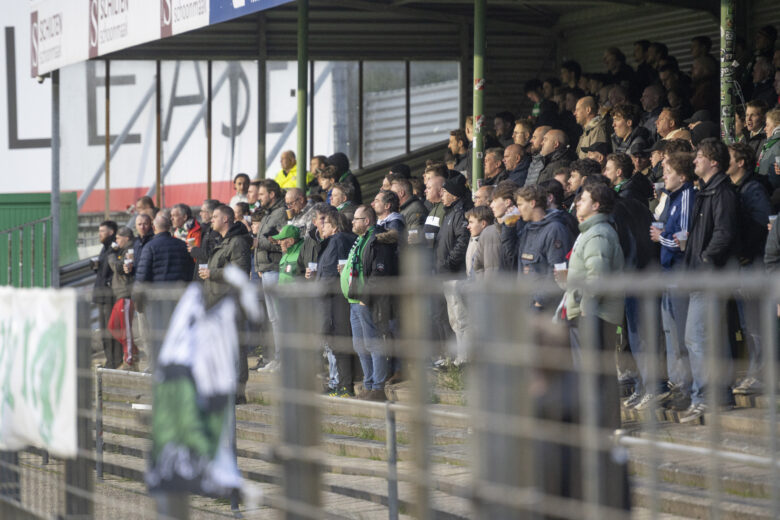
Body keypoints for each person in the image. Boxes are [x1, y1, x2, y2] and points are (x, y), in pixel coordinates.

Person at [556, 181, 628, 511]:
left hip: (593, 315)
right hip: (588, 313)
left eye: (582, 199)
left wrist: (583, 306)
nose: (577, 203)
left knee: (596, 371)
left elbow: (596, 279)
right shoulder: (590, 230)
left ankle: (604, 426)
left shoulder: (598, 234)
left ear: (596, 204)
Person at [680, 139, 738, 423]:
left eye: (699, 157)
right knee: (712, 336)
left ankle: (704, 398)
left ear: (714, 161)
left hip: (708, 276)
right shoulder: (707, 191)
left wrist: (704, 258)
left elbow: (724, 233)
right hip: (702, 274)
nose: (694, 162)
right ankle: (721, 396)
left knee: (696, 337)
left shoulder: (721, 192)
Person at [341, 205, 398, 401]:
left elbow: (378, 272)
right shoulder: (362, 239)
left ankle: (378, 387)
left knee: (373, 343)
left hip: (367, 301)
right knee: (360, 345)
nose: (352, 222)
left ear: (366, 221)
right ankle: (368, 383)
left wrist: (366, 297)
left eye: (356, 219)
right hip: (354, 300)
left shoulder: (378, 240)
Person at [727, 143, 772, 395]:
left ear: (741, 162)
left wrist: (744, 252)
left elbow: (761, 225)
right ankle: (755, 372)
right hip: (744, 265)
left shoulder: (752, 188)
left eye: (730, 158)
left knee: (756, 323)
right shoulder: (736, 188)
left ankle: (762, 375)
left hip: (754, 265)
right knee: (748, 323)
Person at [313, 211, 357, 396]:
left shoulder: (337, 240)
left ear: (335, 227)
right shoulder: (343, 239)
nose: (321, 226)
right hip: (340, 299)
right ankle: (343, 384)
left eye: (326, 223)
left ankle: (345, 386)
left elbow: (331, 274)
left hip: (334, 301)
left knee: (339, 344)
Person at [515, 185, 574, 310]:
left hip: (546, 308)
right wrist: (507, 228)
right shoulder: (527, 229)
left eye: (520, 204)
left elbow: (560, 272)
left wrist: (539, 303)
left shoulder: (555, 229)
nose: (518, 209)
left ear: (532, 203)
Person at [436, 174, 473, 365]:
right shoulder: (450, 212)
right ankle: (460, 357)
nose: (442, 194)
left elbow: (462, 241)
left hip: (455, 274)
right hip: (447, 274)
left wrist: (449, 263)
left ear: (455, 195)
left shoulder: (459, 213)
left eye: (446, 191)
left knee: (461, 318)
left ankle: (464, 359)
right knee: (454, 319)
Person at [253, 180, 287, 372]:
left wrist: (259, 243)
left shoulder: (280, 213)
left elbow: (282, 242)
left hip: (275, 269)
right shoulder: (269, 214)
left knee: (279, 317)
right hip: (265, 270)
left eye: (262, 194)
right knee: (273, 319)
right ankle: (277, 358)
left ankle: (284, 359)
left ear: (272, 194)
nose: (259, 198)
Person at [107, 226, 138, 370]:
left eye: (119, 238)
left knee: (125, 329)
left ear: (126, 238)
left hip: (126, 294)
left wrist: (111, 256)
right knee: (113, 327)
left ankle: (130, 359)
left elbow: (119, 267)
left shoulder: (130, 251)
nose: (116, 241)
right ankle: (133, 351)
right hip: (119, 294)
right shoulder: (122, 251)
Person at [93, 220, 122, 369]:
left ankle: (115, 361)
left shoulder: (113, 248)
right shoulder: (105, 248)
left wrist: (108, 283)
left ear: (111, 232)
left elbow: (115, 270)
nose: (99, 234)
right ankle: (110, 360)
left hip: (108, 295)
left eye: (102, 231)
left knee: (110, 329)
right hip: (101, 294)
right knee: (104, 330)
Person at [135, 214, 195, 284]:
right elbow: (191, 270)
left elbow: (142, 275)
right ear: (169, 227)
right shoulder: (183, 245)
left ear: (154, 228)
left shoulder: (149, 247)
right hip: (179, 290)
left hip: (158, 291)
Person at [465, 205, 499, 278]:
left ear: (483, 223)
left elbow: (491, 271)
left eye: (471, 222)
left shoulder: (491, 240)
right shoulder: (473, 239)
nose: (468, 227)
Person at [758, 108, 780, 187]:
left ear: (777, 126)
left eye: (767, 125)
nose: (764, 129)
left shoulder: (777, 144)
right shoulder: (769, 145)